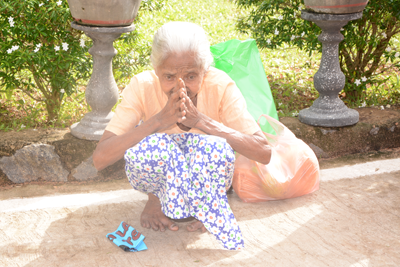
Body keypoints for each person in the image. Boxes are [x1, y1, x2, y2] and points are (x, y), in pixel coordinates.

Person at [93, 21, 271, 250]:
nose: (181, 87)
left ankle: (207, 203)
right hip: (160, 178)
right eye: (169, 76)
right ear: (156, 71)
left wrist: (202, 121)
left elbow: (263, 152)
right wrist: (157, 121)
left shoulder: (220, 85)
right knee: (149, 145)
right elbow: (100, 158)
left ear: (204, 71)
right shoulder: (142, 85)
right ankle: (156, 201)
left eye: (190, 76)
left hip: (207, 179)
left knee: (215, 147)